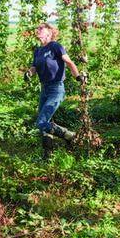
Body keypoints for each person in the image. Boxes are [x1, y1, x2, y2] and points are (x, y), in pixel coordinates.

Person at [23, 22, 87, 158]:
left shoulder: (55, 46)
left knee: (41, 122)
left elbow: (69, 62)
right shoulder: (38, 51)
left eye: (41, 28)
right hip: (44, 89)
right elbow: (34, 68)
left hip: (56, 88)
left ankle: (70, 136)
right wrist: (29, 73)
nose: (37, 30)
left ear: (49, 33)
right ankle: (48, 156)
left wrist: (78, 76)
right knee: (43, 123)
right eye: (37, 28)